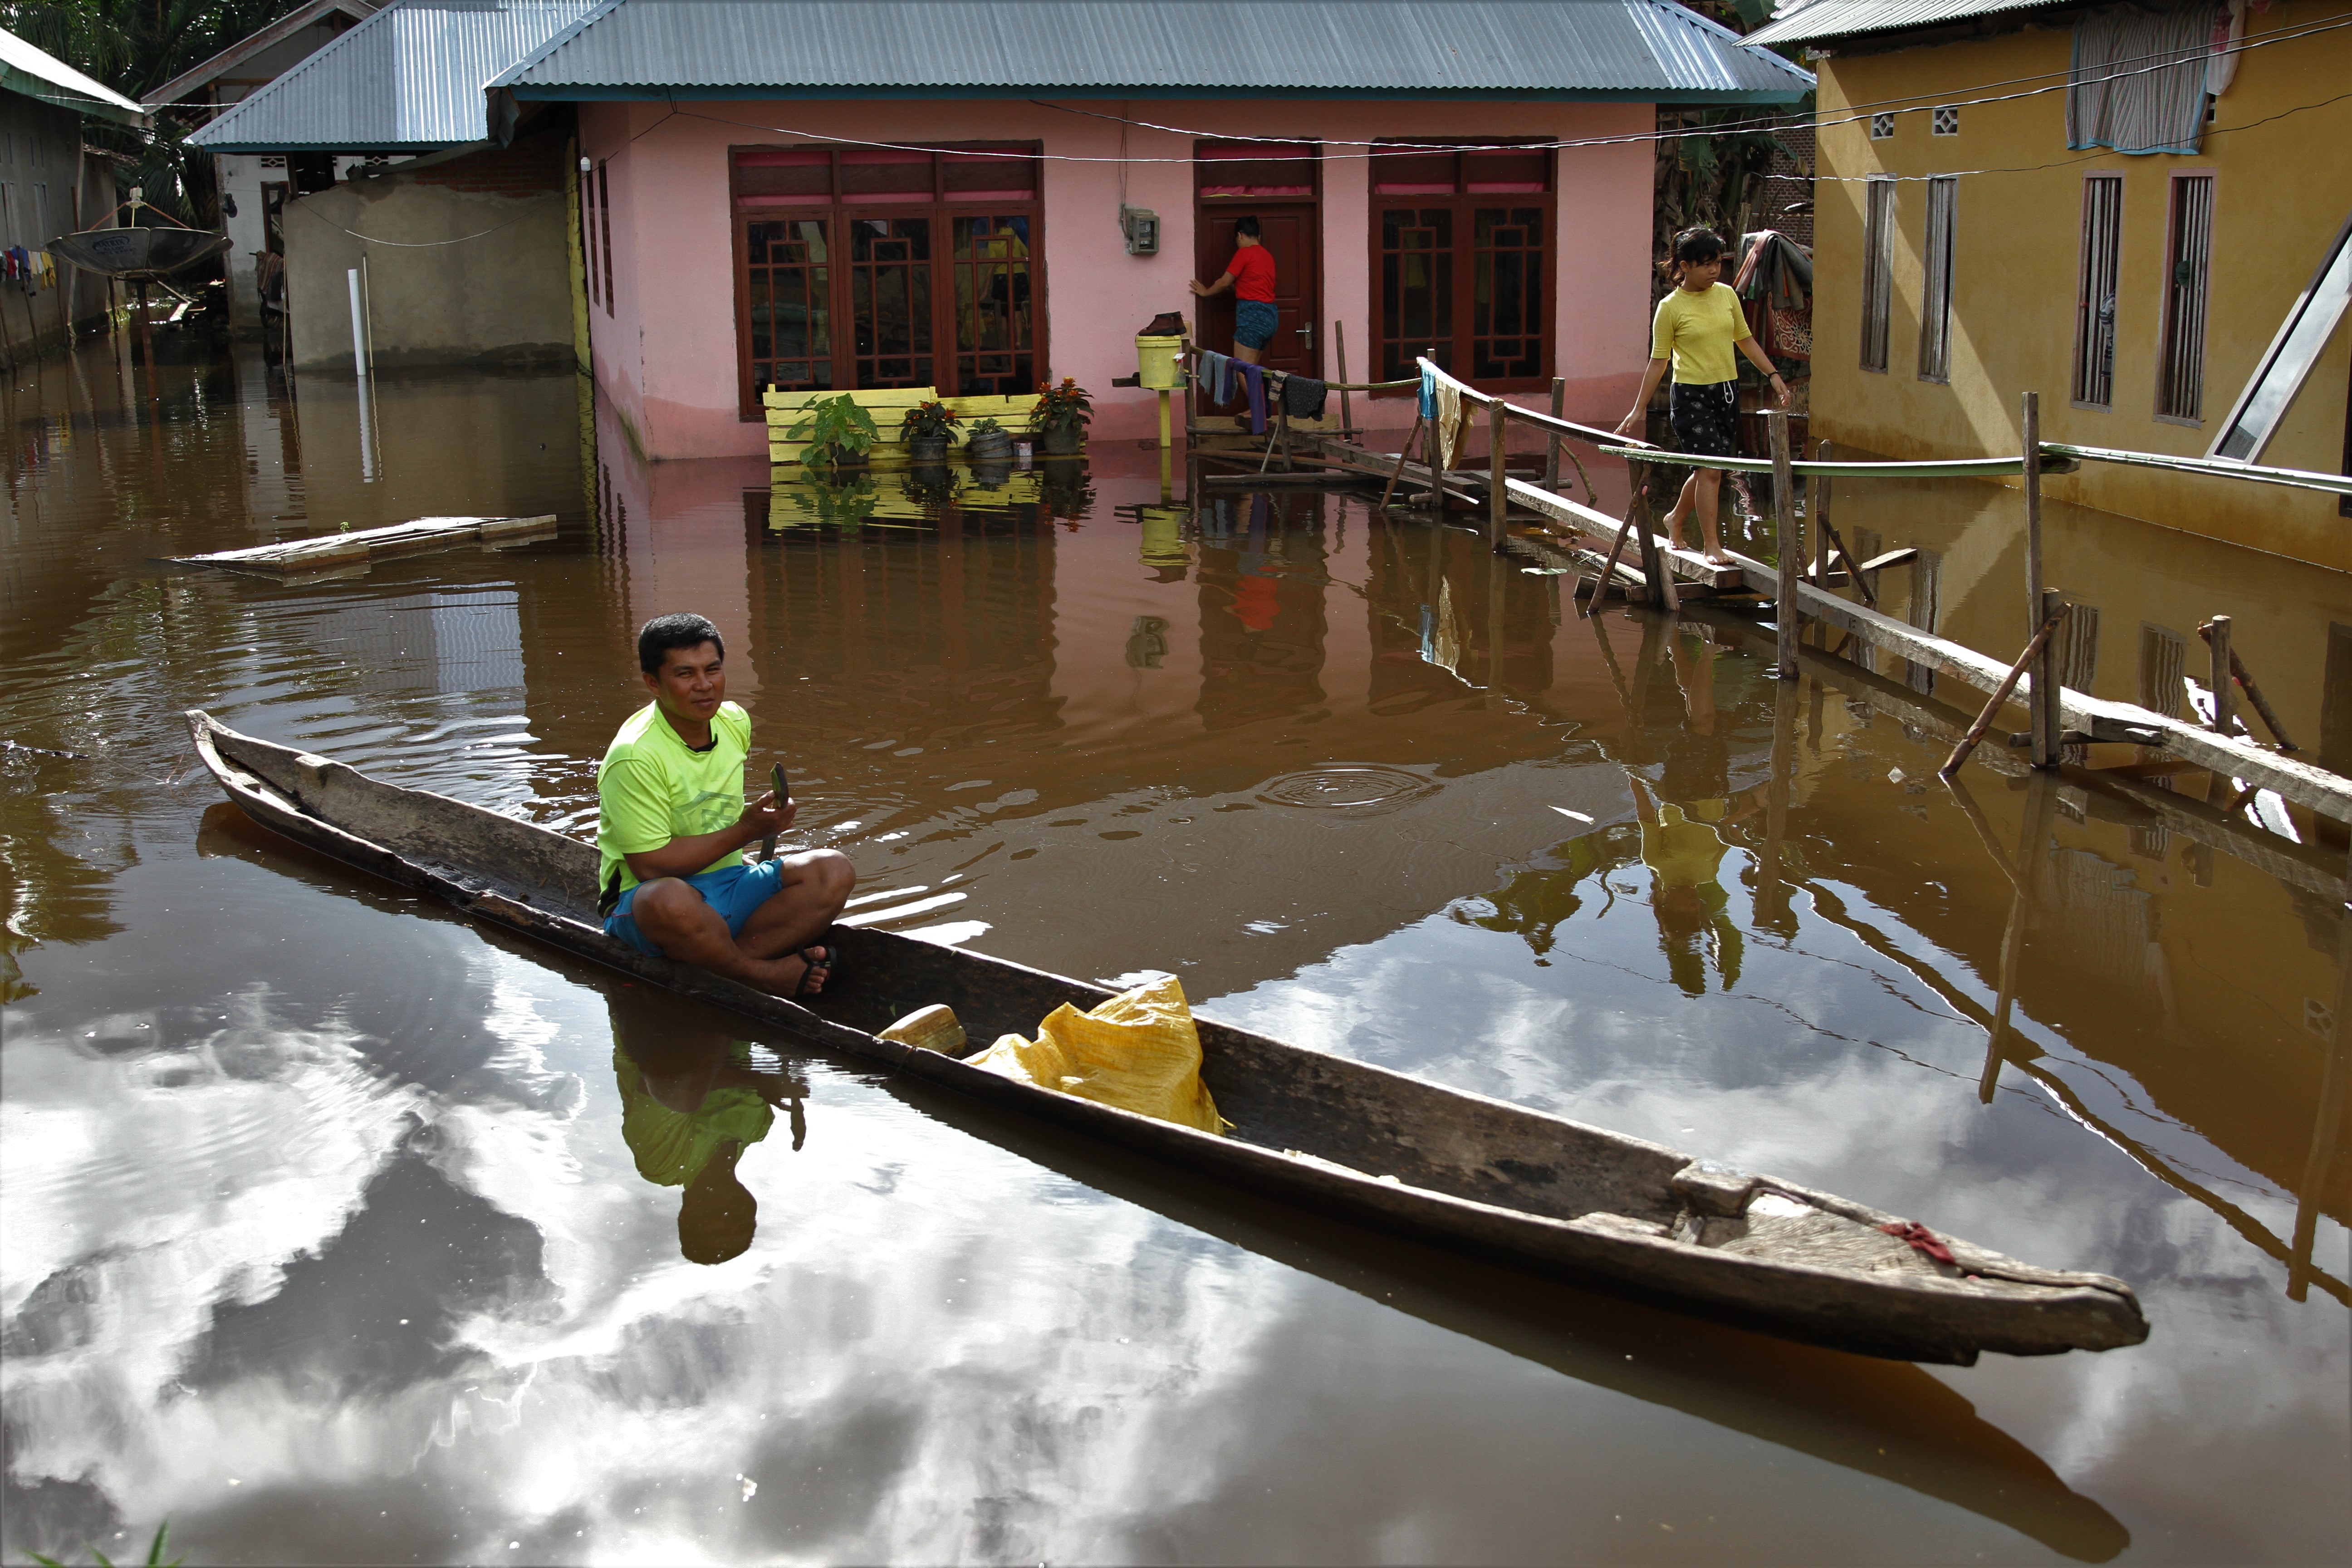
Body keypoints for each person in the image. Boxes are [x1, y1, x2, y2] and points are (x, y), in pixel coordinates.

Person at [597, 612, 853, 997]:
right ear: (653, 683)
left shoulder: (734, 721)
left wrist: (752, 832)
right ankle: (758, 975)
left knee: (833, 871)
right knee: (668, 898)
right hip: (651, 903)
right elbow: (650, 867)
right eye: (685, 675)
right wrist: (748, 831)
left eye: (712, 670)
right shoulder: (635, 756)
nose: (705, 686)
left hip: (729, 884)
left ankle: (724, 961)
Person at [1615, 226, 1791, 566]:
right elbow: (1658, 361)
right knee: (1710, 469)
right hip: (1690, 397)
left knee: (1712, 470)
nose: (1715, 271)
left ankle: (1674, 519)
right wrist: (1639, 409)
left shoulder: (1726, 296)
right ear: (1685, 266)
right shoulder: (1670, 308)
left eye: (1718, 264)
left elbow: (1746, 340)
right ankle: (1712, 545)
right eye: (1706, 264)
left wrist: (1774, 376)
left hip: (1727, 393)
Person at [1189, 215, 1277, 365]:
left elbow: (1224, 282)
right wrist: (1236, 287)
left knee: (1243, 370)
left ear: (1240, 235)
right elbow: (1257, 286)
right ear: (1259, 236)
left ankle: (1261, 390)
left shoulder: (1244, 253)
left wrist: (1206, 292)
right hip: (1271, 316)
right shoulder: (1267, 256)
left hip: (1253, 316)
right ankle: (1262, 390)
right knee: (1254, 370)